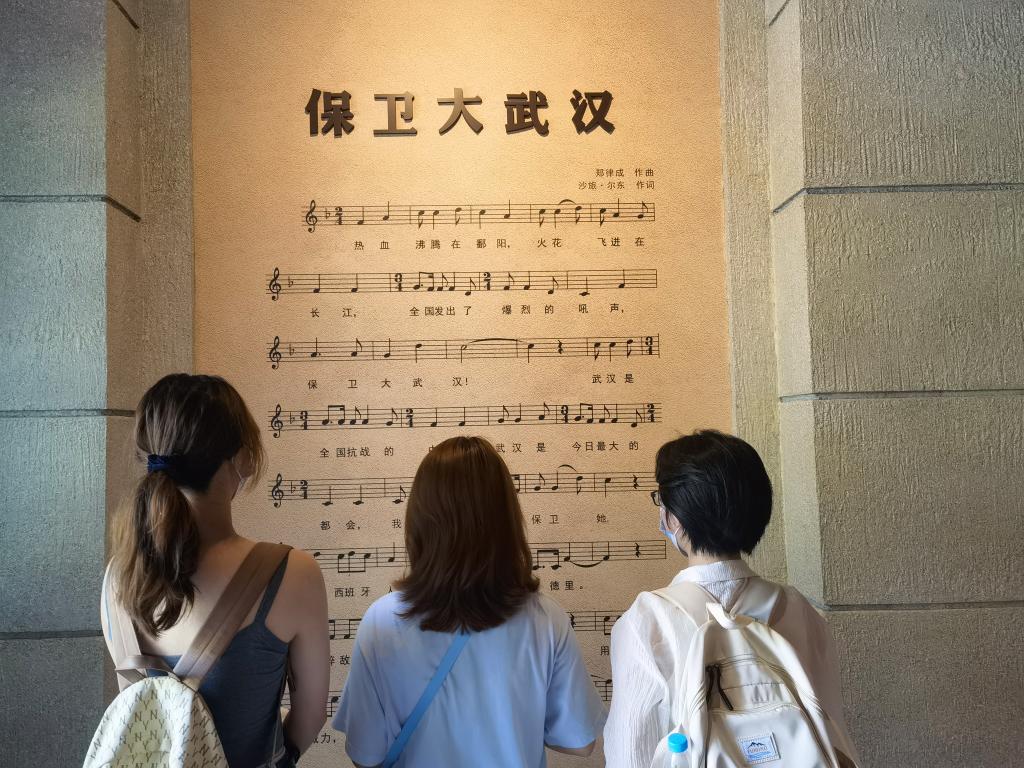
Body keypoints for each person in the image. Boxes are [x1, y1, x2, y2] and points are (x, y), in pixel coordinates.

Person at [333, 436, 606, 767]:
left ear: (420, 520)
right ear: (506, 518)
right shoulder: (546, 619)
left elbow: (365, 756)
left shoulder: (381, 622)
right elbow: (580, 743)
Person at [101, 374, 330, 767]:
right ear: (243, 459)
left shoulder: (118, 577)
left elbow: (140, 708)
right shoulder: (293, 573)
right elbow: (310, 715)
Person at [604, 429, 858, 767]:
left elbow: (629, 753)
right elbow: (830, 729)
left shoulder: (648, 621)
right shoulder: (798, 609)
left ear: (675, 518)